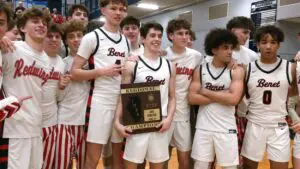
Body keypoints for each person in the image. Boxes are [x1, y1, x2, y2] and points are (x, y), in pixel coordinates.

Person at [71, 0, 129, 168]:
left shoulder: (125, 41)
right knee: (93, 157)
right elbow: (74, 72)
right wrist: (103, 71)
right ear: (103, 10)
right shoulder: (92, 37)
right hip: (100, 102)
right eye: (113, 8)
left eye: (122, 9)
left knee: (118, 156)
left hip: (120, 103)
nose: (118, 12)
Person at [114, 21, 176, 169]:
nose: (157, 39)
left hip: (159, 123)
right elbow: (123, 95)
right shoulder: (132, 64)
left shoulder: (169, 65)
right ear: (143, 39)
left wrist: (168, 119)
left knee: (157, 166)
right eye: (152, 35)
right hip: (137, 122)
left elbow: (173, 97)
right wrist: (117, 121)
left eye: (159, 36)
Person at [1, 8, 51, 169]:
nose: (41, 25)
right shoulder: (11, 48)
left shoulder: (46, 60)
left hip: (36, 128)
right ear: (22, 28)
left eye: (44, 23)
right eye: (35, 21)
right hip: (14, 128)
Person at [241, 25, 297, 169]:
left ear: (278, 45)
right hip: (254, 124)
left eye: (273, 42)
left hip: (279, 125)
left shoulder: (290, 68)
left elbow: (295, 94)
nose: (268, 46)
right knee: (248, 166)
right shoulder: (248, 68)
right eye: (264, 42)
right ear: (258, 44)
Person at [189, 28, 243, 169]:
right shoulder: (200, 70)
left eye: (231, 48)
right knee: (200, 166)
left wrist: (205, 91)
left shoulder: (236, 70)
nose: (230, 51)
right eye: (225, 48)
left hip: (226, 127)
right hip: (203, 127)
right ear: (214, 50)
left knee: (230, 167)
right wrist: (223, 95)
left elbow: (233, 99)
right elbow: (192, 98)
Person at [165, 18, 203, 169]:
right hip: (164, 112)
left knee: (184, 158)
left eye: (187, 33)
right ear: (170, 36)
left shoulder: (196, 56)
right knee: (162, 158)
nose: (184, 37)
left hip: (184, 113)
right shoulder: (163, 55)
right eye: (180, 33)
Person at [56, 20, 88, 169]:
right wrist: (60, 87)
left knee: (86, 165)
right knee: (63, 164)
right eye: (71, 36)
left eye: (79, 35)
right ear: (66, 41)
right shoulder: (61, 64)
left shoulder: (94, 62)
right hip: (65, 120)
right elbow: (56, 97)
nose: (76, 39)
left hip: (87, 122)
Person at [42, 23, 70, 169]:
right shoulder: (35, 56)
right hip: (31, 121)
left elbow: (58, 97)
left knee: (46, 163)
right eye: (50, 36)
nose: (53, 39)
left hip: (51, 120)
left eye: (57, 37)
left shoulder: (61, 63)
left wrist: (61, 87)